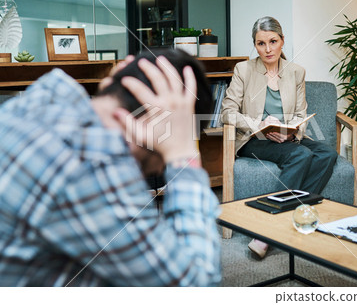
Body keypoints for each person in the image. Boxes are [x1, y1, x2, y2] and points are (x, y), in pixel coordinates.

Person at [0, 49, 221, 286]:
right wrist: (182, 154)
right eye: (160, 163)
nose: (157, 171)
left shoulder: (43, 100)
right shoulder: (91, 166)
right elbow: (198, 285)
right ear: (155, 124)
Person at [221, 16, 338, 259]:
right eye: (261, 43)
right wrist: (260, 124)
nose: (268, 49)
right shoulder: (243, 69)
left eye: (273, 41)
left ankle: (292, 216)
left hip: (286, 138)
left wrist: (291, 131)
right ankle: (266, 230)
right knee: (301, 155)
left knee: (327, 153)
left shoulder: (296, 72)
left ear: (282, 41)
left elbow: (300, 114)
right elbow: (228, 113)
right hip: (254, 140)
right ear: (255, 45)